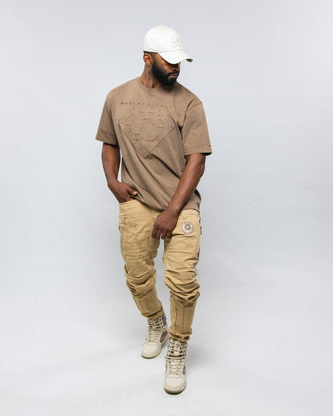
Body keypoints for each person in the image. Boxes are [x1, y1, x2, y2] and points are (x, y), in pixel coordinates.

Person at [95, 24, 212, 394]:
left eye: (180, 62)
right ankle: (156, 322)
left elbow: (197, 160)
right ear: (147, 58)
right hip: (137, 201)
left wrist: (173, 211)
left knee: (183, 281)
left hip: (180, 205)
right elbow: (109, 142)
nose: (176, 68)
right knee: (137, 276)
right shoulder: (117, 97)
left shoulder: (189, 103)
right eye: (169, 61)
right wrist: (112, 181)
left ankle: (177, 345)